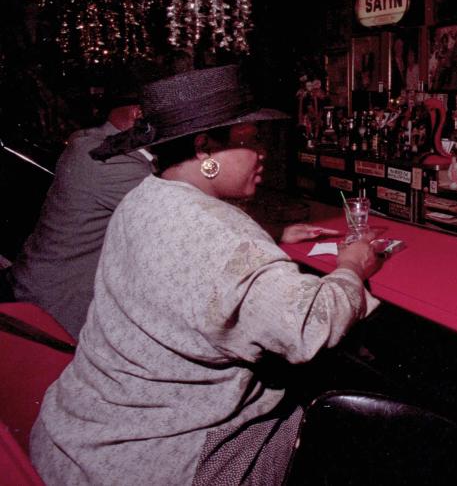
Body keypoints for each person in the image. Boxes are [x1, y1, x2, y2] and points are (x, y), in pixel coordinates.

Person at [30, 65, 381, 485]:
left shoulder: (144, 198)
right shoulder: (222, 237)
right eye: (250, 139)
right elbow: (311, 325)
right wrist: (351, 266)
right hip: (158, 464)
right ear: (204, 149)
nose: (263, 152)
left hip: (79, 438)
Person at [9, 83, 153, 338]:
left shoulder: (92, 142)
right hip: (56, 313)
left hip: (39, 291)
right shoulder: (111, 161)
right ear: (138, 114)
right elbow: (183, 217)